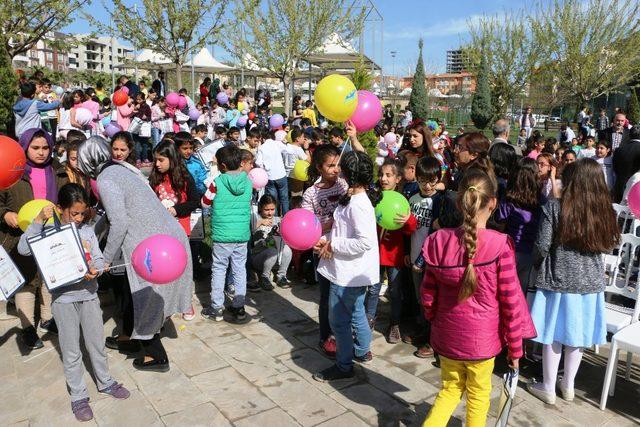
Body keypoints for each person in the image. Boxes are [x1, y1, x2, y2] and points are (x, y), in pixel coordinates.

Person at [421, 169, 535, 426]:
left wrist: (434, 319)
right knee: (478, 395)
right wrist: (515, 349)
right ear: (493, 203)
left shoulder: (438, 241)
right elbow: (511, 302)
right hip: (481, 343)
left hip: (447, 337)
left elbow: (428, 295)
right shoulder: (499, 245)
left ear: (460, 200)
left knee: (449, 391)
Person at [76, 136, 192, 372]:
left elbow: (118, 223)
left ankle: (156, 356)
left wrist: (105, 259)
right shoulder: (122, 169)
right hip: (166, 237)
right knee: (132, 291)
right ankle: (129, 338)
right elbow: (112, 217)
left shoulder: (107, 178)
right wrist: (88, 233)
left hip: (153, 247)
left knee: (144, 295)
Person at [17, 184, 131, 421]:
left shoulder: (88, 231)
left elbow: (99, 259)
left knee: (96, 343)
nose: (78, 219)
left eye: (82, 214)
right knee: (70, 350)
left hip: (89, 296)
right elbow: (23, 248)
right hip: (63, 300)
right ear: (60, 209)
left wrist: (96, 270)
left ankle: (105, 381)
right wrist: (38, 221)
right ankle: (78, 395)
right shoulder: (47, 232)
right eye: (73, 213)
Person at [527, 159, 619, 405]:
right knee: (577, 336)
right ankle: (568, 385)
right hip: (590, 283)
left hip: (557, 278)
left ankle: (547, 386)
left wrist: (536, 266)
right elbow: (610, 244)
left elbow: (542, 245)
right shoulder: (605, 211)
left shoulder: (554, 207)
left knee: (552, 335)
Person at [312, 151, 381, 382]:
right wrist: (327, 239)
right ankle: (362, 350)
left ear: (350, 173)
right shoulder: (352, 197)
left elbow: (364, 242)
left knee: (339, 320)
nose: (338, 169)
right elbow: (344, 230)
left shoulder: (359, 204)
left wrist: (333, 244)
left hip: (349, 273)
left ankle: (344, 365)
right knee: (357, 311)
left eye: (342, 167)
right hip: (350, 269)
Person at [0, 128, 68, 349]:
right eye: (35, 148)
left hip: (50, 235)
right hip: (19, 237)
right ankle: (28, 328)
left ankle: (48, 319)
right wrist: (5, 214)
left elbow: (67, 198)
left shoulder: (58, 171)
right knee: (27, 283)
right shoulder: (13, 171)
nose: (41, 152)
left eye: (45, 147)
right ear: (24, 148)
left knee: (50, 278)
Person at [302, 144, 348, 358]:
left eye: (337, 165)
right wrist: (328, 226)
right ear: (319, 168)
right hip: (321, 248)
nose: (335, 169)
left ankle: (342, 333)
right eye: (330, 166)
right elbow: (306, 224)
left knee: (343, 295)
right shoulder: (311, 193)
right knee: (326, 295)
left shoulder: (343, 185)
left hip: (342, 247)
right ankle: (326, 335)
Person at [201, 145, 252, 323]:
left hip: (223, 235)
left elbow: (205, 203)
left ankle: (216, 307)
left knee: (219, 269)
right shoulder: (248, 181)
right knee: (239, 269)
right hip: (242, 234)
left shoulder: (217, 182)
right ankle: (239, 307)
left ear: (222, 165)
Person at [367, 158, 416, 340]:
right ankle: (368, 320)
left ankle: (394, 324)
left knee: (395, 291)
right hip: (374, 254)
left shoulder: (402, 201)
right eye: (381, 175)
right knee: (373, 290)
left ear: (398, 178)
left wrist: (408, 221)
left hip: (394, 256)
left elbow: (411, 229)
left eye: (389, 175)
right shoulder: (374, 197)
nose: (384, 179)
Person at [408, 156, 450, 358]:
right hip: (414, 255)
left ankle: (432, 341)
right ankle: (422, 330)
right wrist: (409, 253)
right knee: (418, 298)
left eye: (431, 181)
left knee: (431, 301)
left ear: (437, 179)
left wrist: (422, 260)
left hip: (430, 261)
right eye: (422, 180)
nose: (427, 185)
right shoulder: (412, 198)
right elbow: (408, 230)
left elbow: (437, 236)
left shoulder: (440, 201)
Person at [495, 158, 543, 294]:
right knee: (519, 295)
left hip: (508, 252)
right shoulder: (541, 200)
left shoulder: (509, 198)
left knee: (500, 293)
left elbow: (501, 222)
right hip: (529, 253)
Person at [251, 194, 292, 290]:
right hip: (258, 257)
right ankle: (264, 277)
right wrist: (260, 222)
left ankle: (281, 276)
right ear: (261, 207)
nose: (270, 213)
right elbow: (250, 232)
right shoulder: (255, 218)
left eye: (272, 209)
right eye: (266, 210)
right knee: (272, 251)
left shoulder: (277, 220)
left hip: (276, 258)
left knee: (287, 249)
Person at [256, 130, 289, 215]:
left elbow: (258, 162)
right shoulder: (277, 144)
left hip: (269, 176)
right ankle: (286, 216)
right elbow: (287, 150)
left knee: (273, 200)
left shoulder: (261, 147)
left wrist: (265, 169)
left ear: (263, 138)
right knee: (284, 199)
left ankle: (275, 218)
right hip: (281, 175)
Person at [283, 127, 311, 196]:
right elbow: (308, 161)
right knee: (296, 196)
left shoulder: (286, 147)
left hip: (286, 175)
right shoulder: (298, 149)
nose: (304, 139)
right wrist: (306, 149)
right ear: (297, 139)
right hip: (296, 176)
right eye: (303, 137)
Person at [132, 92, 153, 165]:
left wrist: (146, 117)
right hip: (136, 127)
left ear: (143, 99)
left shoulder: (146, 106)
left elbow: (150, 117)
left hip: (144, 127)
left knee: (145, 143)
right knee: (137, 143)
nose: (138, 101)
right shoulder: (134, 105)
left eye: (140, 99)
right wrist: (135, 109)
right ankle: (138, 158)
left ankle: (145, 158)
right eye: (137, 99)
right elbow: (132, 115)